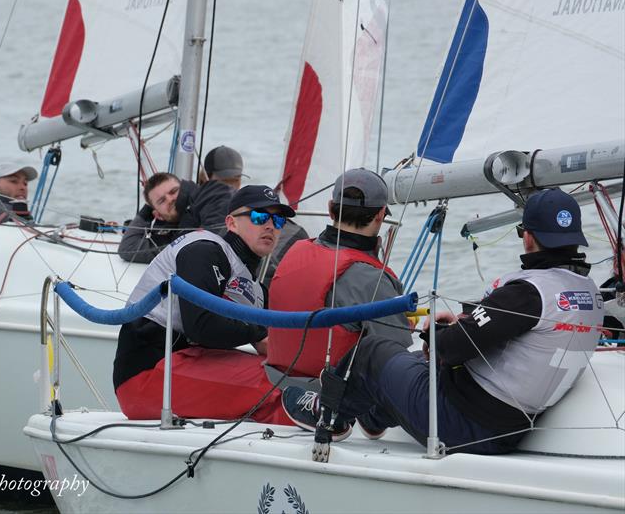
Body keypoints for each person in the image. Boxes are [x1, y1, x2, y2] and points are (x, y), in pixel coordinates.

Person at [282, 188, 604, 454]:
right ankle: (375, 415)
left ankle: (330, 417)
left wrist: (438, 332)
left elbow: (447, 349)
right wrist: (466, 320)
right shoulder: (590, 293)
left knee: (370, 352)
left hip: (463, 425)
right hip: (510, 428)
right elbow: (523, 330)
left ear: (528, 236)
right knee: (408, 362)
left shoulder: (527, 294)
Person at [113, 185, 297, 425]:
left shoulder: (256, 288)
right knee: (276, 386)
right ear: (231, 223)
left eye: (278, 220)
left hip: (188, 363)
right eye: (259, 216)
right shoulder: (203, 250)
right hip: (146, 375)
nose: (270, 225)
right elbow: (200, 325)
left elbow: (271, 339)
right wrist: (259, 332)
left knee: (287, 375)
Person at [267, 168, 410, 378]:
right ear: (380, 214)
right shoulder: (371, 279)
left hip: (279, 380)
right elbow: (398, 354)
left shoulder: (293, 251)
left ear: (330, 209)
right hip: (336, 396)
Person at [118, 170, 230, 264]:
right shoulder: (167, 235)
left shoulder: (212, 195)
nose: (170, 199)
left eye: (174, 191)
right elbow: (128, 248)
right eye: (162, 201)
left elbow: (214, 242)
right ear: (158, 215)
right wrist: (146, 212)